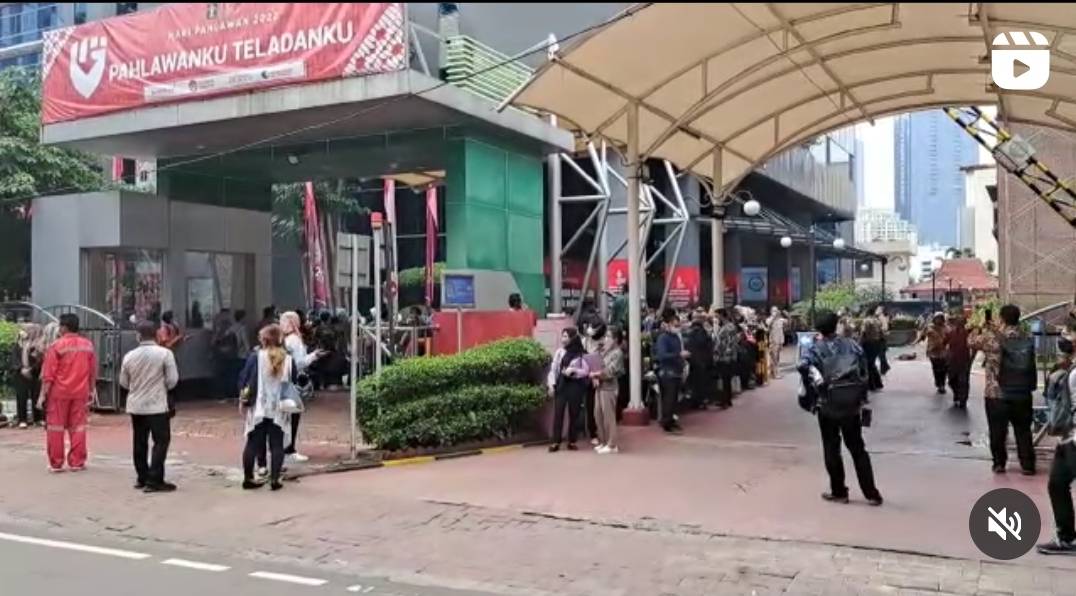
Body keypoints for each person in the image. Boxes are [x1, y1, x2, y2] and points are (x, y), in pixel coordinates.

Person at [798, 311, 883, 506]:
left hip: (827, 403)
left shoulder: (814, 349)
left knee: (831, 447)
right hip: (852, 404)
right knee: (858, 448)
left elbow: (803, 367)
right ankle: (872, 493)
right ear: (836, 325)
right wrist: (861, 395)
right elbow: (864, 369)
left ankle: (839, 491)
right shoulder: (852, 344)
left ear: (818, 328)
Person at [969, 304, 1037, 475]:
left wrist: (981, 328)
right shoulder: (1026, 336)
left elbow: (970, 342)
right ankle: (1027, 464)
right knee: (1023, 430)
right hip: (1022, 391)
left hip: (996, 393)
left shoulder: (991, 337)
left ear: (1002, 318)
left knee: (997, 430)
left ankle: (999, 463)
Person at [119, 321, 179, 493]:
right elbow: (172, 380)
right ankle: (155, 479)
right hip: (157, 405)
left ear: (138, 336)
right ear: (157, 335)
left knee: (139, 442)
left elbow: (123, 382)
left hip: (136, 405)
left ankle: (142, 477)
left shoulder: (129, 356)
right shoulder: (165, 354)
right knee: (161, 441)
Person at [37, 314, 97, 473]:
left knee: (55, 428)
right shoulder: (88, 345)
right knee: (78, 428)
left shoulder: (56, 346)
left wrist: (43, 395)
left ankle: (56, 463)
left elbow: (49, 374)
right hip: (80, 393)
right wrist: (91, 390)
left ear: (64, 327)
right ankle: (77, 462)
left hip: (59, 393)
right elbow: (92, 372)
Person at [240, 324, 296, 491]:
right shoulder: (288, 358)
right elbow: (292, 380)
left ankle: (248, 478)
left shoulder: (255, 357)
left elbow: (245, 380)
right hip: (279, 407)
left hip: (258, 406)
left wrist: (243, 400)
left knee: (252, 442)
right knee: (276, 444)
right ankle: (275, 479)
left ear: (264, 339)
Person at [1039, 338, 1076, 555]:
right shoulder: (1069, 370)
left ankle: (1066, 537)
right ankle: (1066, 537)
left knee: (1058, 483)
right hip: (1068, 438)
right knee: (1057, 483)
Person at [278, 311, 324, 463]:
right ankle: (289, 449)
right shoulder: (294, 340)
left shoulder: (285, 340)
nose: (281, 323)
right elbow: (299, 362)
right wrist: (313, 356)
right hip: (293, 381)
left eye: (283, 321)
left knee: (284, 416)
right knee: (293, 415)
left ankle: (283, 448)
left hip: (282, 380)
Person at [547, 327, 590, 452]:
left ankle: (572, 441)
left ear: (572, 338)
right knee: (558, 413)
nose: (563, 339)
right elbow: (554, 369)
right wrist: (551, 384)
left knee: (574, 414)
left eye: (566, 336)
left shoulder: (581, 354)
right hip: (562, 385)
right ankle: (556, 442)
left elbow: (586, 371)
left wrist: (574, 371)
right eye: (562, 336)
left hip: (575, 387)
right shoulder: (560, 352)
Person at [589, 323, 623, 454]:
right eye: (606, 336)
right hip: (599, 386)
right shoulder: (604, 351)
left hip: (609, 387)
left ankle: (612, 443)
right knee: (598, 414)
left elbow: (611, 371)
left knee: (608, 416)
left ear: (615, 339)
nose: (606, 339)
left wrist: (597, 374)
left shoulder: (617, 353)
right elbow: (595, 362)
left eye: (609, 336)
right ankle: (603, 441)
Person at [654, 309, 688, 434]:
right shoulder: (663, 338)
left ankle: (672, 420)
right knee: (668, 399)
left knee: (674, 399)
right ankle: (666, 423)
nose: (677, 328)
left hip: (677, 372)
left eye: (678, 325)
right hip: (667, 373)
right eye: (675, 325)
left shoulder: (676, 338)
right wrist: (678, 354)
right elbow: (662, 355)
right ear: (668, 325)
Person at [12, 323, 45, 428]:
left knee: (36, 395)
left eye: (27, 330)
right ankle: (22, 419)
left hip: (34, 373)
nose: (25, 332)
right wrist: (21, 368)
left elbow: (40, 360)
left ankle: (38, 418)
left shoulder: (39, 344)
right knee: (22, 396)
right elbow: (14, 357)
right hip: (20, 373)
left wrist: (31, 369)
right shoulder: (18, 343)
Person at [684, 313, 715, 409]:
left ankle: (695, 401)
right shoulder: (703, 333)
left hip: (692, 360)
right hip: (702, 361)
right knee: (702, 383)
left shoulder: (688, 333)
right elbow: (708, 346)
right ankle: (701, 401)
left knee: (694, 382)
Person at [714, 309, 740, 410]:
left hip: (725, 356)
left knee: (725, 379)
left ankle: (725, 400)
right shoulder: (727, 326)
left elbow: (728, 342)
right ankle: (727, 399)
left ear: (721, 316)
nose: (716, 318)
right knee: (726, 379)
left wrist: (721, 353)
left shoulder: (728, 327)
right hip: (725, 355)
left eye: (717, 316)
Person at [945, 314, 972, 409]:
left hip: (964, 361)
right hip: (952, 361)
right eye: (958, 321)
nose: (960, 323)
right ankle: (957, 394)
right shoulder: (951, 333)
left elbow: (974, 346)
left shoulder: (969, 333)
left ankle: (963, 399)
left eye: (962, 321)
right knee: (952, 380)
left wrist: (971, 359)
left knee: (963, 381)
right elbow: (944, 343)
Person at [920, 313, 948, 395]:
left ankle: (942, 384)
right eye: (937, 318)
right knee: (936, 368)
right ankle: (939, 383)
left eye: (940, 318)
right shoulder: (929, 327)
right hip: (933, 352)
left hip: (944, 352)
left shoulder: (946, 328)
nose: (938, 320)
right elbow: (922, 337)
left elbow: (951, 337)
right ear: (934, 319)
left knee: (944, 369)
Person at [858, 310, 885, 392]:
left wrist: (859, 343)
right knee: (872, 363)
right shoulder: (877, 321)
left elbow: (863, 332)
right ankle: (878, 383)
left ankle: (872, 385)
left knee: (868, 364)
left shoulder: (866, 321)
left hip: (868, 343)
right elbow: (881, 333)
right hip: (877, 343)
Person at [766, 307, 788, 379]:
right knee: (774, 357)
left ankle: (774, 372)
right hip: (773, 341)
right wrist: (773, 317)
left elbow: (787, 322)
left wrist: (787, 315)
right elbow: (768, 324)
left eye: (776, 311)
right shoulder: (769, 319)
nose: (775, 312)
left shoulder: (780, 320)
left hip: (780, 341)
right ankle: (775, 374)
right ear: (771, 312)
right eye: (774, 311)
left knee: (777, 358)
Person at [875, 306, 891, 376]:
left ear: (881, 310)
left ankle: (884, 368)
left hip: (881, 338)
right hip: (880, 338)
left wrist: (879, 330)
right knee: (881, 354)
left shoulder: (881, 318)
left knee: (881, 354)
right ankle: (885, 367)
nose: (876, 310)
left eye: (878, 309)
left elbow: (885, 328)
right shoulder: (879, 318)